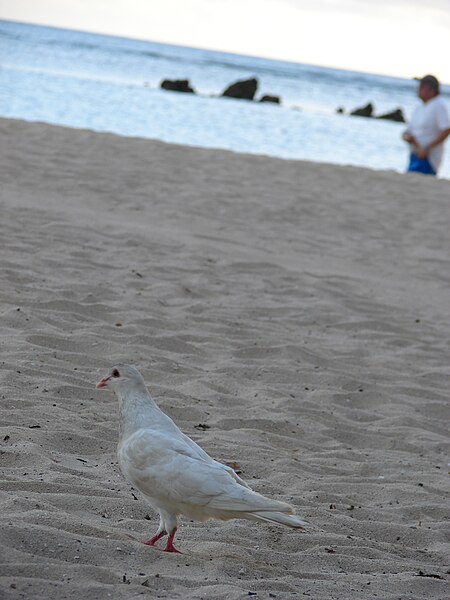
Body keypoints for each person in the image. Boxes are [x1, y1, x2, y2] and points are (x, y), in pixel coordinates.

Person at [402, 75, 450, 175]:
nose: (418, 90)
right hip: (415, 152)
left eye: (421, 87)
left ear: (430, 90)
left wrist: (427, 148)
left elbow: (446, 130)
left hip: (428, 157)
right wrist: (406, 136)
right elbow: (409, 129)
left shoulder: (438, 105)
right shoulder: (420, 107)